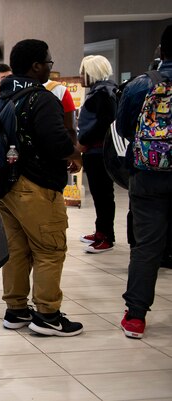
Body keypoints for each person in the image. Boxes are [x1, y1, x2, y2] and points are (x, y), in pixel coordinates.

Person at [0, 39, 84, 337]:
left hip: (4, 186)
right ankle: (48, 315)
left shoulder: (0, 97)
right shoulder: (41, 99)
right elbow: (58, 143)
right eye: (48, 62)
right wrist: (74, 153)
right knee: (49, 249)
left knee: (16, 249)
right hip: (37, 186)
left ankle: (16, 310)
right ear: (35, 66)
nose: (50, 67)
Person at [119, 24, 172, 339]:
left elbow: (126, 128)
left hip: (147, 176)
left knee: (146, 247)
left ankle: (136, 316)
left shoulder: (141, 85)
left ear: (161, 51)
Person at [77, 55, 118, 254]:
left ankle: (106, 237)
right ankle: (101, 231)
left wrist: (83, 141)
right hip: (95, 151)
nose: (80, 76)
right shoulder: (102, 92)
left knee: (102, 195)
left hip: (98, 152)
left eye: (84, 71)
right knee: (100, 194)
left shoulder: (102, 94)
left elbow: (104, 124)